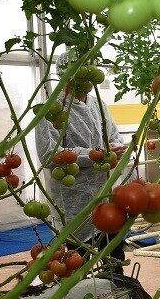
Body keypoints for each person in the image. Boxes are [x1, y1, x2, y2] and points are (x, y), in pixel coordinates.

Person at [35, 52, 128, 268]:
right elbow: (50, 154)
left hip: (105, 193)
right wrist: (92, 155)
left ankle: (118, 293)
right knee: (79, 262)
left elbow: (113, 134)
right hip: (73, 197)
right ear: (68, 75)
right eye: (85, 71)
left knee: (114, 258)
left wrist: (114, 147)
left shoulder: (97, 103)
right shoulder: (51, 109)